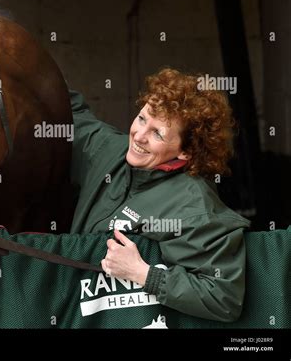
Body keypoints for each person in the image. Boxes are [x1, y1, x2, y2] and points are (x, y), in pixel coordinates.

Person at [69, 68, 250, 322]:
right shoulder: (108, 150)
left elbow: (224, 296)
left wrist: (144, 274)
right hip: (78, 315)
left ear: (185, 151)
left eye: (158, 133)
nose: (139, 136)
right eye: (142, 118)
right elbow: (71, 113)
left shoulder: (194, 205)